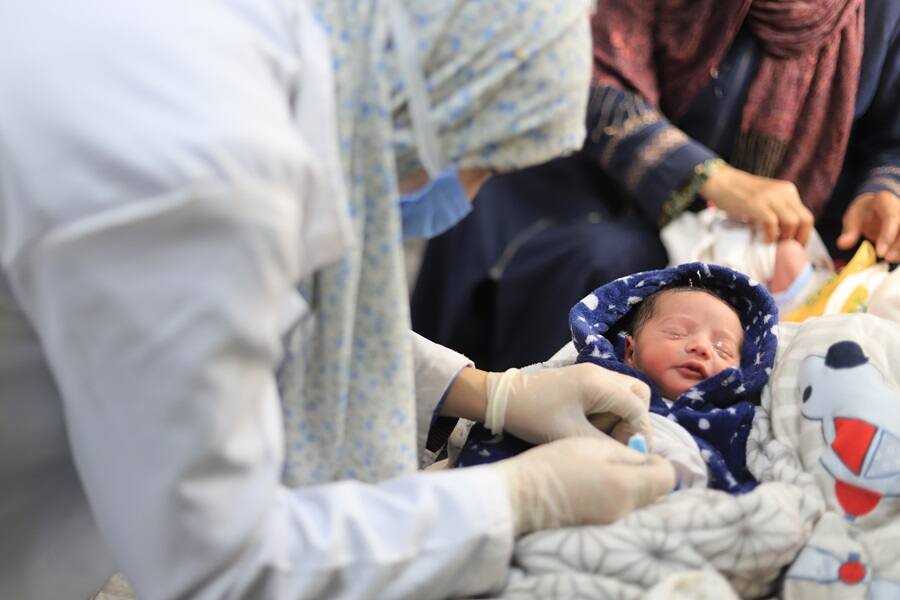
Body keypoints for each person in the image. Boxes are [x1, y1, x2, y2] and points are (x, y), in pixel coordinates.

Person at [0, 2, 678, 599]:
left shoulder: (262, 51)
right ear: (435, 93)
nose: (468, 202)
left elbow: (253, 312)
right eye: (487, 166)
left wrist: (487, 393)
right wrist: (516, 498)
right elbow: (220, 566)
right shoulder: (205, 172)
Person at [411, 0, 900, 372]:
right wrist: (707, 176)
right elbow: (596, 79)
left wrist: (884, 190)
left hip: (783, 244)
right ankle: (443, 396)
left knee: (616, 267)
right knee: (483, 207)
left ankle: (521, 424)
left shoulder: (883, 16)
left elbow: (892, 139)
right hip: (614, 180)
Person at [457, 262, 779, 494]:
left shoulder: (739, 418)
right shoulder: (584, 377)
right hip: (552, 491)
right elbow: (516, 396)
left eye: (722, 349)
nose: (702, 348)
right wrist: (497, 398)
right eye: (677, 332)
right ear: (629, 351)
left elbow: (767, 469)